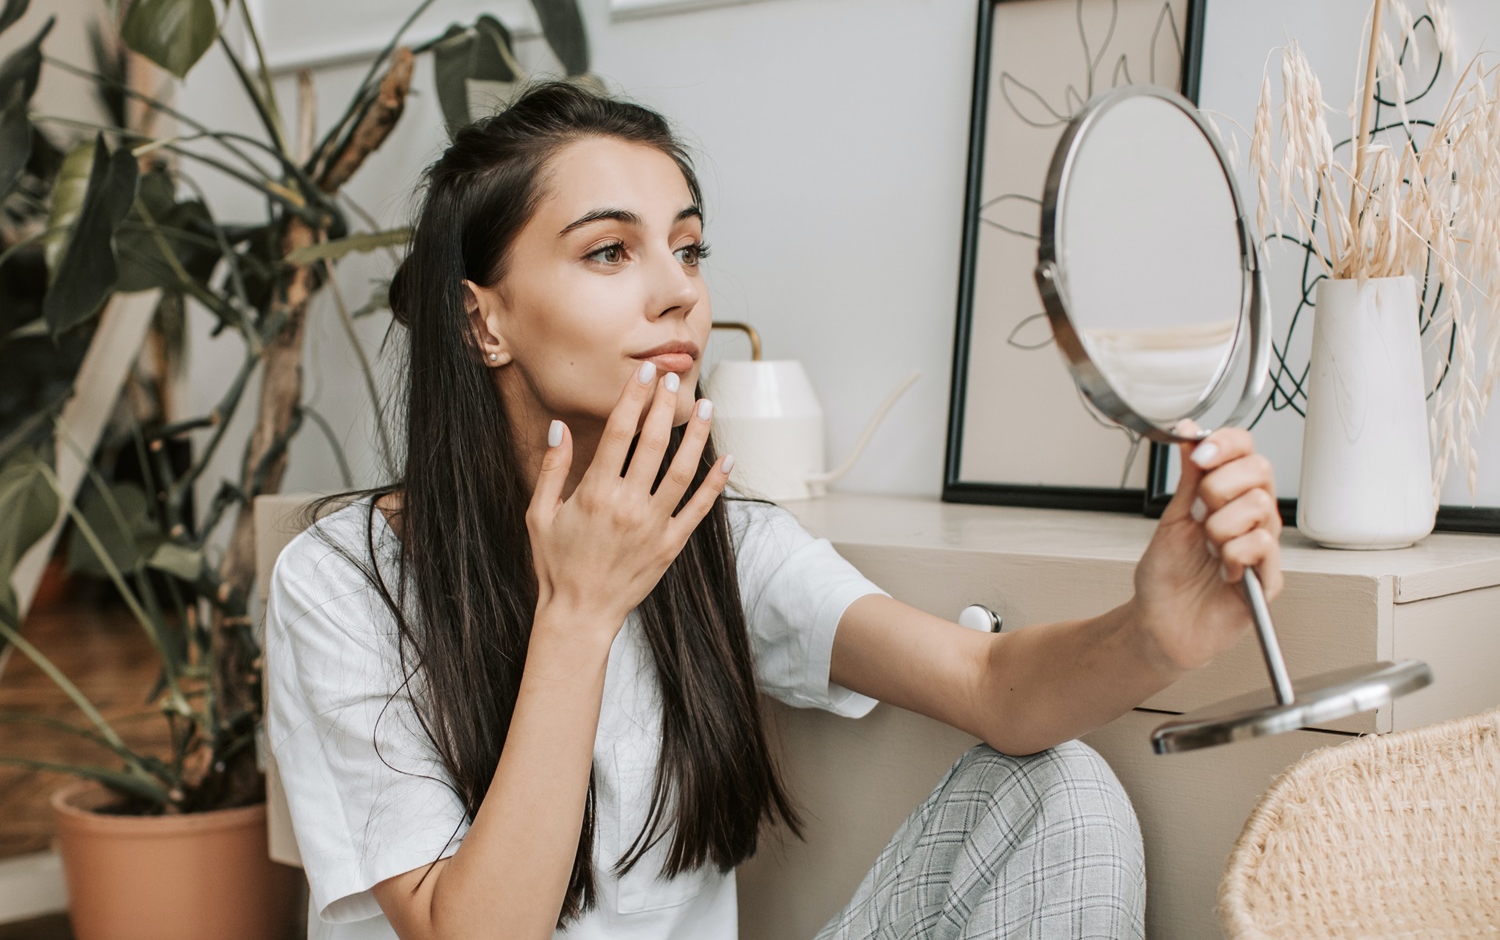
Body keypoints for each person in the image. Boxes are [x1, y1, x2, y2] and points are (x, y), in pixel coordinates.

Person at [263, 81, 1283, 940]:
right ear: (483, 319)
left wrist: (1153, 633)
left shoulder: (715, 538)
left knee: (1065, 792)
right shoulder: (344, 581)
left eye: (688, 248)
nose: (678, 293)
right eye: (610, 252)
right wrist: (579, 613)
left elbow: (990, 685)